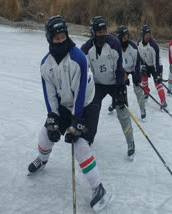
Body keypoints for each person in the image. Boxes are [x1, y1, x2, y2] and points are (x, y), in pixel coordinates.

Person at [27, 15, 111, 212]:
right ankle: (42, 159)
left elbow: (80, 92)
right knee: (46, 133)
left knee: (80, 144)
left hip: (86, 104)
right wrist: (53, 117)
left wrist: (76, 122)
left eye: (63, 36)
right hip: (65, 104)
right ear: (49, 39)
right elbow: (49, 94)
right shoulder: (45, 65)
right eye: (56, 38)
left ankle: (98, 187)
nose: (61, 40)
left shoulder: (77, 58)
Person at [81, 16, 136, 160]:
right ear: (93, 33)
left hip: (114, 83)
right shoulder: (86, 49)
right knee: (92, 110)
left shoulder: (114, 43)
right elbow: (82, 70)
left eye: (104, 31)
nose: (102, 34)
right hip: (98, 85)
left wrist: (120, 88)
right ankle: (89, 137)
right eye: (99, 32)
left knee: (122, 111)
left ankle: (130, 142)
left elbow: (119, 68)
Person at [108, 25, 146, 119]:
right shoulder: (116, 48)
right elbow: (116, 64)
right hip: (123, 69)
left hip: (133, 68)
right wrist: (123, 76)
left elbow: (137, 64)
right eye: (123, 38)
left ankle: (142, 108)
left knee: (137, 88)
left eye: (127, 37)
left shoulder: (133, 48)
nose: (126, 39)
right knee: (119, 86)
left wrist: (137, 78)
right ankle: (115, 103)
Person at [137, 24, 167, 109]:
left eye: (149, 34)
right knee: (144, 81)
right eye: (146, 34)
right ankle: (146, 93)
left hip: (156, 65)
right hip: (146, 64)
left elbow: (156, 61)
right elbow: (139, 56)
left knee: (157, 83)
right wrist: (142, 66)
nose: (148, 36)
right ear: (143, 34)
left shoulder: (154, 46)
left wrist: (157, 74)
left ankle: (163, 101)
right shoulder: (139, 43)